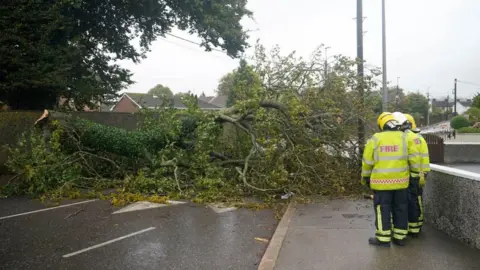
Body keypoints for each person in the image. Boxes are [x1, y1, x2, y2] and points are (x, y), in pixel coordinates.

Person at [361, 112, 422, 247]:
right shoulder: (404, 137)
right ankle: (400, 237)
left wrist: (365, 178)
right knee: (401, 208)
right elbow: (415, 158)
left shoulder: (376, 139)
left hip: (381, 184)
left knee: (382, 209)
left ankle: (383, 239)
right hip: (402, 183)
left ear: (381, 125)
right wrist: (415, 175)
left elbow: (367, 161)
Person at [402, 113, 430, 237]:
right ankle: (416, 225)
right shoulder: (419, 138)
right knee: (417, 199)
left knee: (410, 200)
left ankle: (412, 226)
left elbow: (411, 159)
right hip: (420, 174)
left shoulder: (407, 138)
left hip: (411, 175)